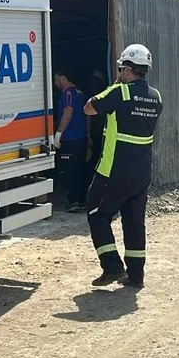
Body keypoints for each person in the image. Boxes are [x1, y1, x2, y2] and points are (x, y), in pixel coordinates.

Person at [82, 44, 164, 290]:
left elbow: (89, 107)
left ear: (127, 69)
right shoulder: (155, 96)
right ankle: (136, 276)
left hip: (114, 168)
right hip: (142, 170)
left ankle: (112, 266)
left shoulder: (120, 92)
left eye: (120, 69)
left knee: (97, 214)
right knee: (134, 221)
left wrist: (115, 85)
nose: (119, 72)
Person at [52, 72, 89, 213]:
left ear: (63, 78)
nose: (55, 83)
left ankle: (74, 200)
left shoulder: (68, 93)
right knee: (80, 169)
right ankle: (81, 200)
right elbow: (88, 115)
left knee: (67, 171)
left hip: (70, 139)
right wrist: (88, 133)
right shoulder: (81, 93)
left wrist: (58, 135)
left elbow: (68, 112)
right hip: (81, 137)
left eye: (56, 80)